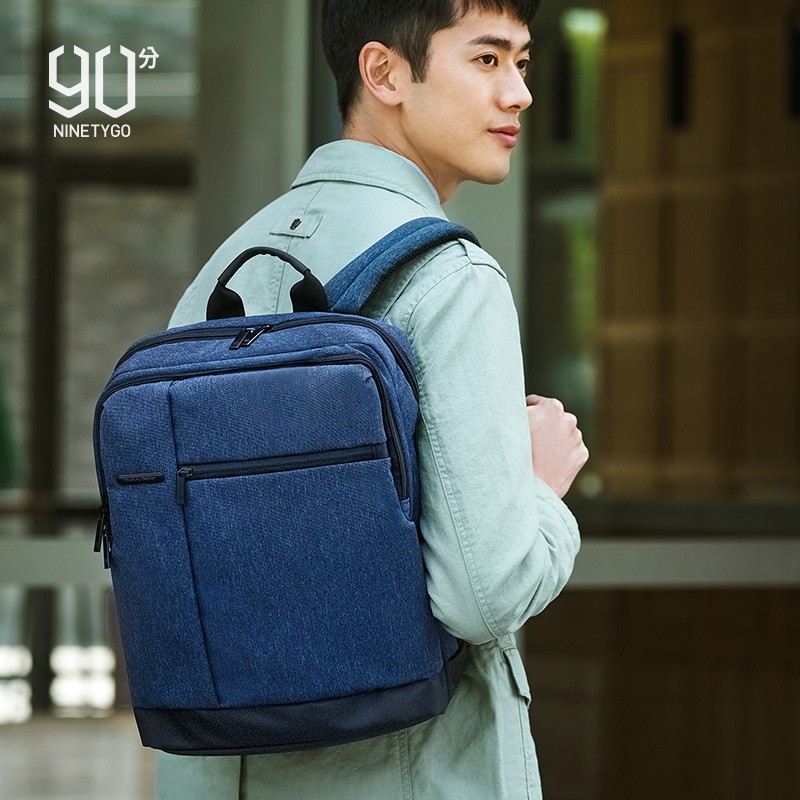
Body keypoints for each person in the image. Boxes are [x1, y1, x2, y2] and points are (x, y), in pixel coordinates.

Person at [157, 1, 588, 798]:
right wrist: (539, 489)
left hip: (218, 771)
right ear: (384, 72)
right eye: (487, 59)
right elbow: (483, 596)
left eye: (523, 63)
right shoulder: (451, 279)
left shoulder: (225, 268)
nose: (520, 93)